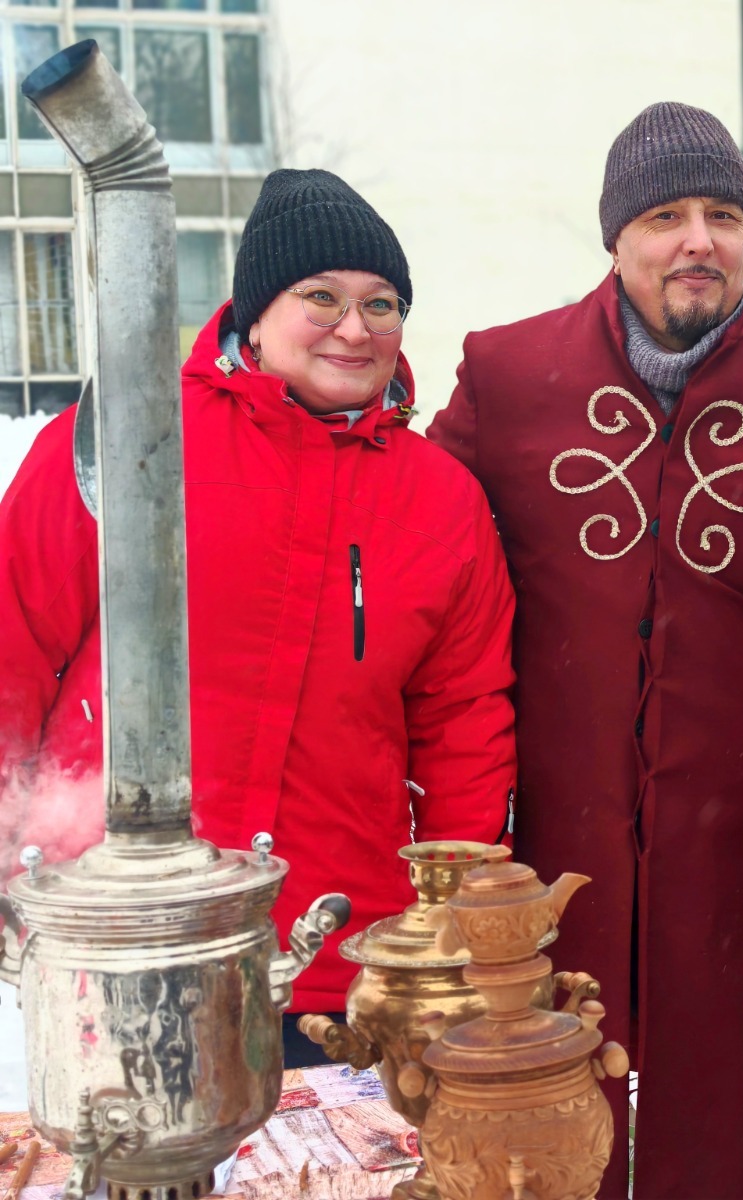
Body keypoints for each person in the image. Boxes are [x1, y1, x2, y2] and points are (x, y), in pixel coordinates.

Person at [427, 102, 743, 1198]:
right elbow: (416, 560)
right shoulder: (508, 375)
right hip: (550, 856)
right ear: (617, 236)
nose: (697, 241)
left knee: (730, 1148)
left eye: (723, 215)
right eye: (666, 216)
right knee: (543, 1143)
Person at [0, 169, 518, 1065]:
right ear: (256, 308)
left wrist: (454, 922)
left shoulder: (442, 502)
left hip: (336, 959)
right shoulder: (131, 440)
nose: (354, 328)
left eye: (382, 304)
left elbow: (463, 727)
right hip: (124, 942)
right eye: (321, 297)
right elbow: (12, 647)